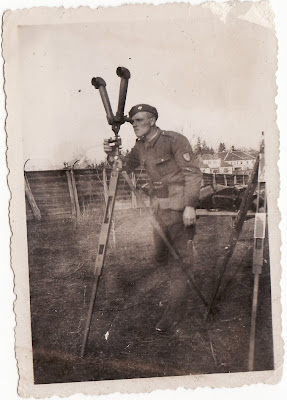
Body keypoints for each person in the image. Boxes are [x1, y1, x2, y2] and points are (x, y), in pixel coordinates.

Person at [104, 104, 202, 332]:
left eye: (139, 120)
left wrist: (190, 206)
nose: (134, 126)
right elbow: (123, 167)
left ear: (152, 121)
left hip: (179, 209)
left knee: (180, 261)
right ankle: (176, 297)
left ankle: (175, 312)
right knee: (161, 257)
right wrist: (110, 155)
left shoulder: (174, 140)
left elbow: (193, 174)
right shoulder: (141, 146)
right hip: (158, 210)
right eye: (132, 122)